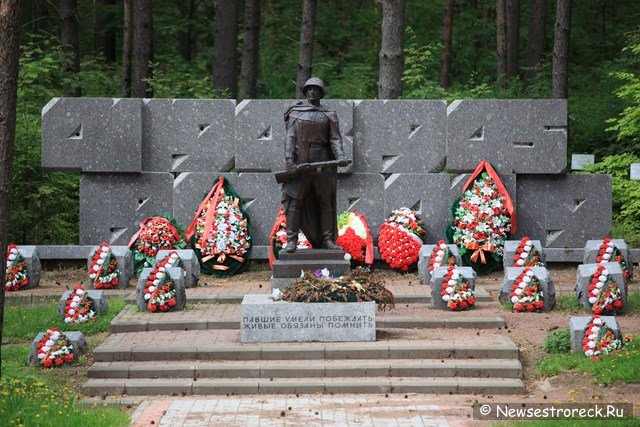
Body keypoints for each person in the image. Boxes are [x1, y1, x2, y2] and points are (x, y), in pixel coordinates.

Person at [281, 77, 350, 253]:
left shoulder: (329, 114)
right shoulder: (296, 112)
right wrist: (289, 160)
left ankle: (327, 239)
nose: (312, 92)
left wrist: (340, 156)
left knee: (325, 202)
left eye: (316, 89)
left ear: (321, 92)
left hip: (323, 163)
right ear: (305, 92)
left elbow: (335, 139)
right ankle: (291, 240)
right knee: (295, 203)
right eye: (309, 89)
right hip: (300, 163)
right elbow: (290, 137)